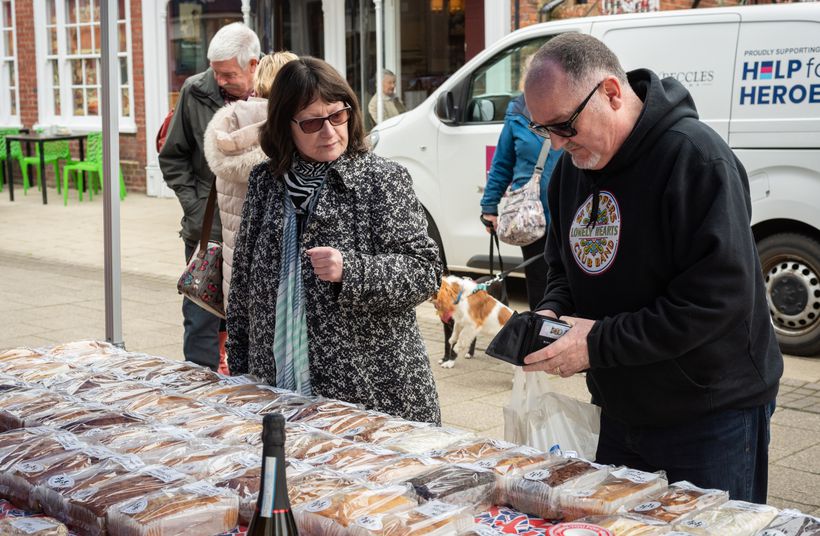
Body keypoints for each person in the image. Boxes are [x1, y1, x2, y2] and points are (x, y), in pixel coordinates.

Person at [521, 33, 783, 503]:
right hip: (623, 402)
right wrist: (555, 313)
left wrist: (597, 342)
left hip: (709, 410)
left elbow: (716, 301)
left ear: (611, 93)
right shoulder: (571, 171)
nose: (558, 145)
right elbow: (563, 266)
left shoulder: (695, 158)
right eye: (545, 131)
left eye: (564, 126)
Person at [226, 57, 442, 424]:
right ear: (286, 126)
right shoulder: (266, 182)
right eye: (312, 122)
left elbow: (425, 271)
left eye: (337, 116)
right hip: (274, 385)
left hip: (371, 394)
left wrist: (352, 270)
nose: (328, 131)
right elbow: (244, 284)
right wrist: (241, 373)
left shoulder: (381, 180)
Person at [159, 22, 260, 370]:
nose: (219, 81)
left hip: (256, 227)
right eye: (215, 72)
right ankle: (199, 394)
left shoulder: (274, 93)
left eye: (228, 73)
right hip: (208, 229)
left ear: (253, 65)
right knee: (201, 315)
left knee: (250, 317)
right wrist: (195, 206)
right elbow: (172, 156)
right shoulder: (194, 90)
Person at [204, 51, 298, 324]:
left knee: (244, 350)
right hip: (281, 275)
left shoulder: (228, 124)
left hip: (236, 271)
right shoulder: (295, 131)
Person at [480, 57, 562, 310]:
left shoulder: (570, 109)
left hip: (567, 210)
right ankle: (539, 335)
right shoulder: (517, 114)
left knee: (569, 282)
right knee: (539, 282)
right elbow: (502, 164)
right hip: (531, 215)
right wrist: (489, 206)